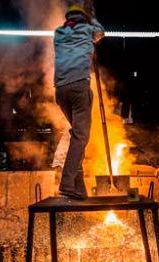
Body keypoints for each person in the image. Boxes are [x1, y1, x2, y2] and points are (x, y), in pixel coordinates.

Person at [53, 3, 103, 200]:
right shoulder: (88, 29)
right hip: (79, 87)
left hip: (61, 91)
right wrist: (92, 16)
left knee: (77, 136)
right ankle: (67, 183)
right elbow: (101, 33)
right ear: (84, 18)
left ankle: (78, 186)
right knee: (81, 137)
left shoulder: (58, 33)